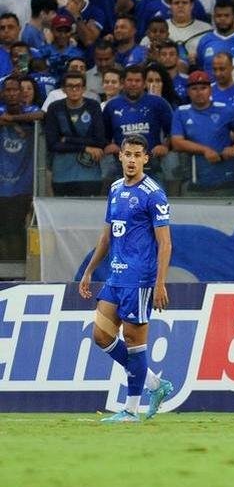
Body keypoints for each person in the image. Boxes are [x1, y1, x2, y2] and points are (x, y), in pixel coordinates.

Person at [77, 134, 173, 423]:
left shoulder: (153, 194)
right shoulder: (116, 188)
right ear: (119, 156)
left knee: (133, 342)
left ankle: (131, 410)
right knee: (101, 336)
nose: (131, 160)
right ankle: (155, 383)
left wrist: (159, 283)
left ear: (146, 158)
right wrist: (89, 270)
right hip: (115, 277)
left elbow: (165, 243)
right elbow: (107, 236)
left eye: (137, 155)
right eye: (127, 154)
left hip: (140, 279)